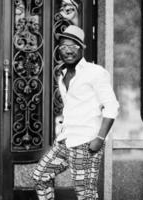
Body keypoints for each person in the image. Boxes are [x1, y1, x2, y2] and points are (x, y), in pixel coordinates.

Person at [32, 25, 119, 200]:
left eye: (73, 46)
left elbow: (112, 106)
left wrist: (100, 139)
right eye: (64, 46)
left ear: (82, 48)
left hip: (87, 143)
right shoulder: (61, 74)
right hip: (66, 140)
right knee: (40, 176)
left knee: (86, 194)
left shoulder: (96, 73)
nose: (68, 50)